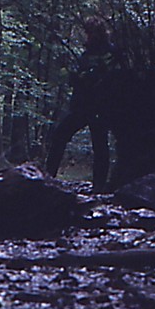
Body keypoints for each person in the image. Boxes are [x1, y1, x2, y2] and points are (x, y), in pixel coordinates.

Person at [45, 16, 117, 189]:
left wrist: (88, 78)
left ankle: (99, 187)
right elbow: (79, 78)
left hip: (99, 106)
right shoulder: (86, 54)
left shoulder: (109, 52)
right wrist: (76, 78)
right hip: (82, 106)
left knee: (99, 145)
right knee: (60, 135)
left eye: (89, 33)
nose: (87, 36)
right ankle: (48, 178)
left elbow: (108, 77)